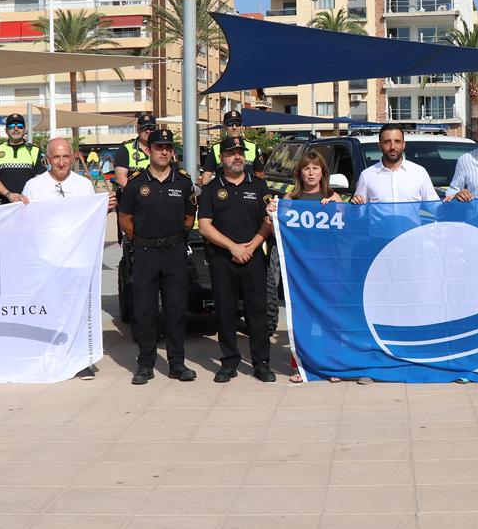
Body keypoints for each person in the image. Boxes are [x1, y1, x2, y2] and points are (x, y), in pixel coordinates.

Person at [22, 137, 117, 380]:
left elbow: (90, 220)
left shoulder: (84, 185)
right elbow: (24, 224)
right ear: (48, 159)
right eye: (56, 157)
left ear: (73, 157)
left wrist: (103, 207)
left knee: (81, 312)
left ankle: (82, 360)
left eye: (66, 157)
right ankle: (54, 357)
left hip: (78, 261)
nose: (61, 162)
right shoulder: (33, 186)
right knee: (51, 311)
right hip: (48, 262)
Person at [117, 129, 199, 385]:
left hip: (174, 251)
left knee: (176, 310)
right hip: (145, 252)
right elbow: (125, 218)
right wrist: (141, 239)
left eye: (168, 147)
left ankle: (177, 364)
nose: (164, 152)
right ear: (148, 150)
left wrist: (177, 236)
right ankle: (145, 364)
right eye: (159, 147)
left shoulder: (183, 182)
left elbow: (189, 215)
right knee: (145, 311)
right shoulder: (136, 182)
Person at [198, 136, 276, 383]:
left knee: (257, 312)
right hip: (222, 258)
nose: (237, 156)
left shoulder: (259, 186)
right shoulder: (211, 189)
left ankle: (261, 362)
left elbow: (269, 222)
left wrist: (251, 247)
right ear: (222, 158)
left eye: (240, 152)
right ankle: (229, 361)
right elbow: (204, 226)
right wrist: (233, 247)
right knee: (225, 311)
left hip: (253, 258)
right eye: (231, 153)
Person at [265, 149, 344, 384]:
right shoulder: (290, 199)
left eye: (315, 169)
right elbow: (277, 230)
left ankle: (334, 366)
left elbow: (345, 227)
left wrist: (335, 208)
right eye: (307, 169)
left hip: (328, 267)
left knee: (330, 318)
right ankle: (302, 366)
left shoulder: (334, 197)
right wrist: (271, 215)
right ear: (300, 172)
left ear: (323, 173)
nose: (311, 173)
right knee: (303, 319)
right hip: (300, 269)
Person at [351, 124, 440, 204]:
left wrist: (452, 202)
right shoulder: (366, 176)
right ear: (379, 145)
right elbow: (360, 213)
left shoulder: (419, 173)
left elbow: (435, 207)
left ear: (403, 145)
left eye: (397, 141)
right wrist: (355, 206)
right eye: (387, 142)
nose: (392, 147)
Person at [0, 113, 46, 204]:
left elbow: (40, 178)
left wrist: (24, 195)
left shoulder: (35, 150)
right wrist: (9, 195)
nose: (16, 129)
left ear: (25, 129)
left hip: (27, 203)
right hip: (2, 203)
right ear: (6, 130)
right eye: (11, 126)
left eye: (20, 126)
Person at [201, 109, 260, 185]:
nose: (234, 127)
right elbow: (207, 175)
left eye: (238, 123)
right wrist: (207, 194)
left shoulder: (252, 146)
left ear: (241, 126)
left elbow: (259, 175)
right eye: (230, 123)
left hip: (248, 193)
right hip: (223, 194)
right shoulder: (216, 148)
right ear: (224, 126)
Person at [114, 113, 157, 187]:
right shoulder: (126, 148)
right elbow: (120, 179)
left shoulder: (162, 148)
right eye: (144, 128)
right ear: (137, 129)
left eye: (151, 128)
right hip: (133, 195)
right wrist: (140, 194)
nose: (148, 131)